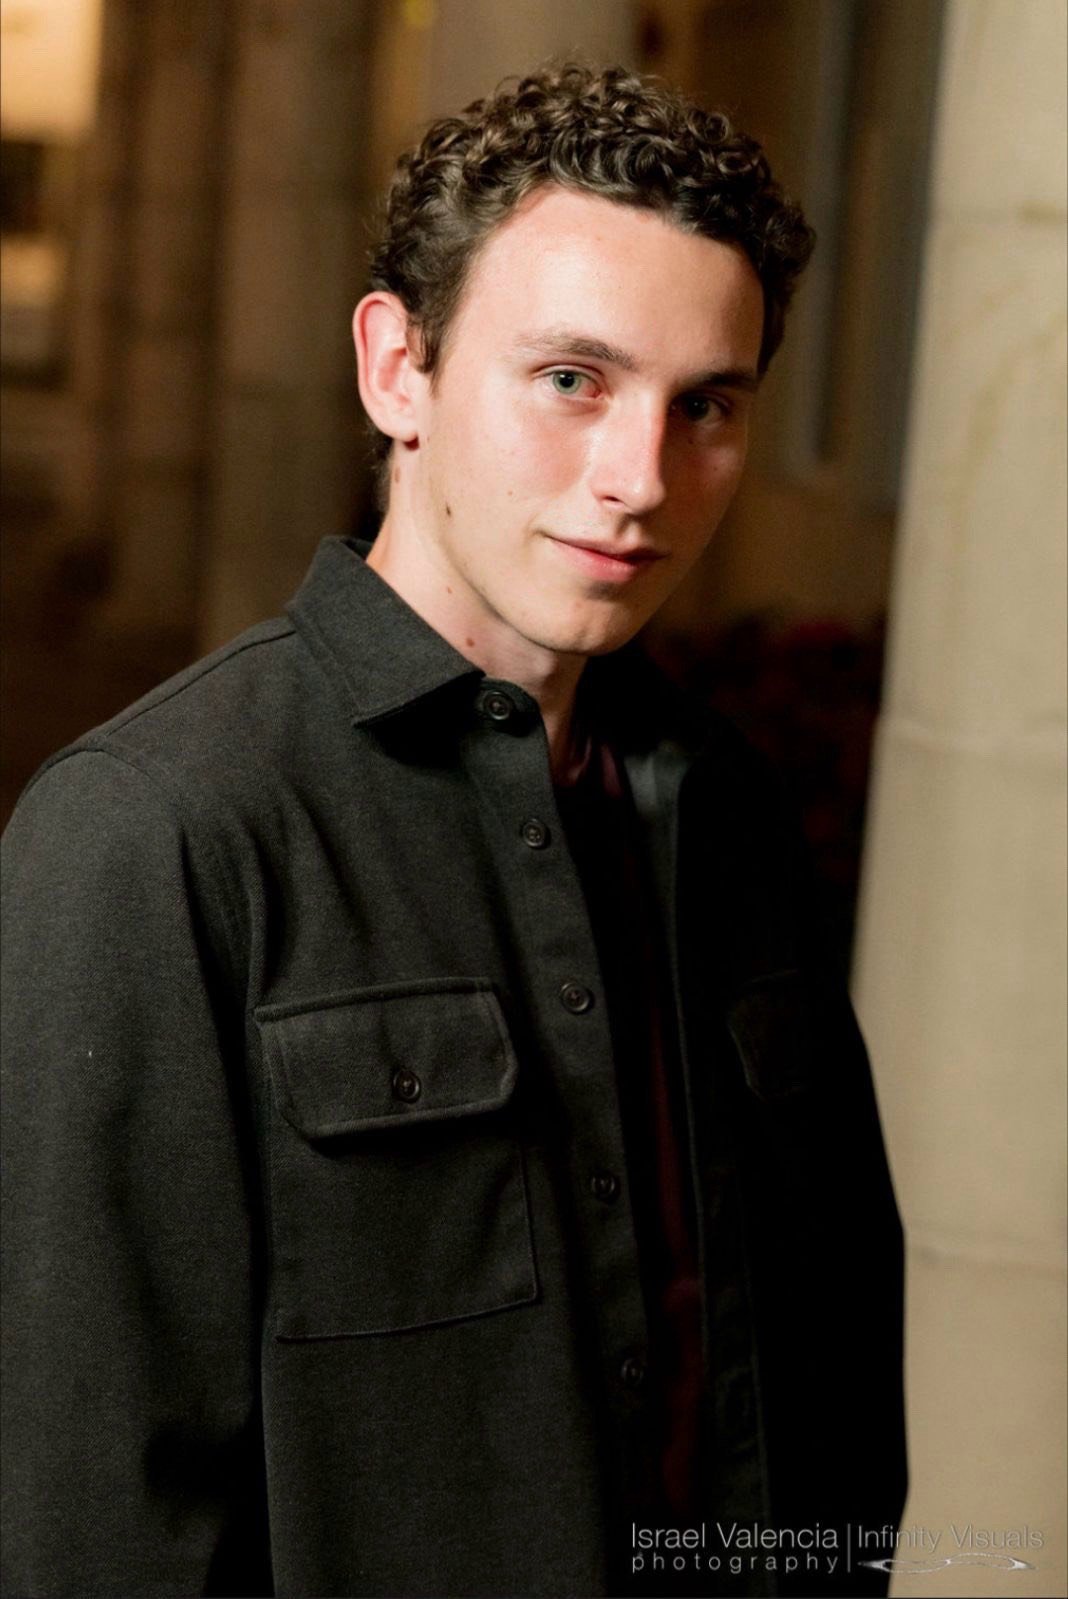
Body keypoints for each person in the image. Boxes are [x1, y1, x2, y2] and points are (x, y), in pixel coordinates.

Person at [1, 63, 905, 1599]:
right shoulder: (156, 831)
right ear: (396, 371)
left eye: (707, 406)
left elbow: (830, 1365)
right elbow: (93, 1511)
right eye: (571, 380)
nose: (639, 482)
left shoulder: (730, 805)